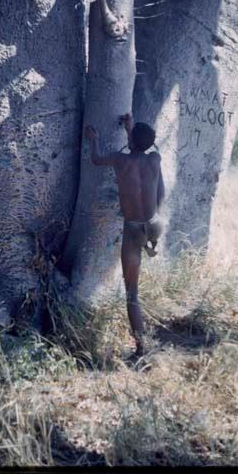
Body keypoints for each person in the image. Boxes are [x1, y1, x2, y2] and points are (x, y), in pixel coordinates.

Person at [84, 114, 165, 358]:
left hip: (132, 230)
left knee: (132, 294)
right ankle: (152, 244)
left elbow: (96, 159)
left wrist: (93, 139)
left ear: (132, 141)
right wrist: (132, 133)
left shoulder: (120, 161)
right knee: (149, 230)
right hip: (152, 225)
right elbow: (139, 150)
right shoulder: (155, 159)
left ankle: (142, 349)